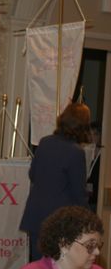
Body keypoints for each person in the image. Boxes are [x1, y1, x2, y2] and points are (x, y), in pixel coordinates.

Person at [21, 102, 91, 260]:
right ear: (82, 125)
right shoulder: (76, 152)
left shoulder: (45, 142)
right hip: (59, 223)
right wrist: (89, 221)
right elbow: (78, 193)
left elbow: (33, 174)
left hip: (36, 215)